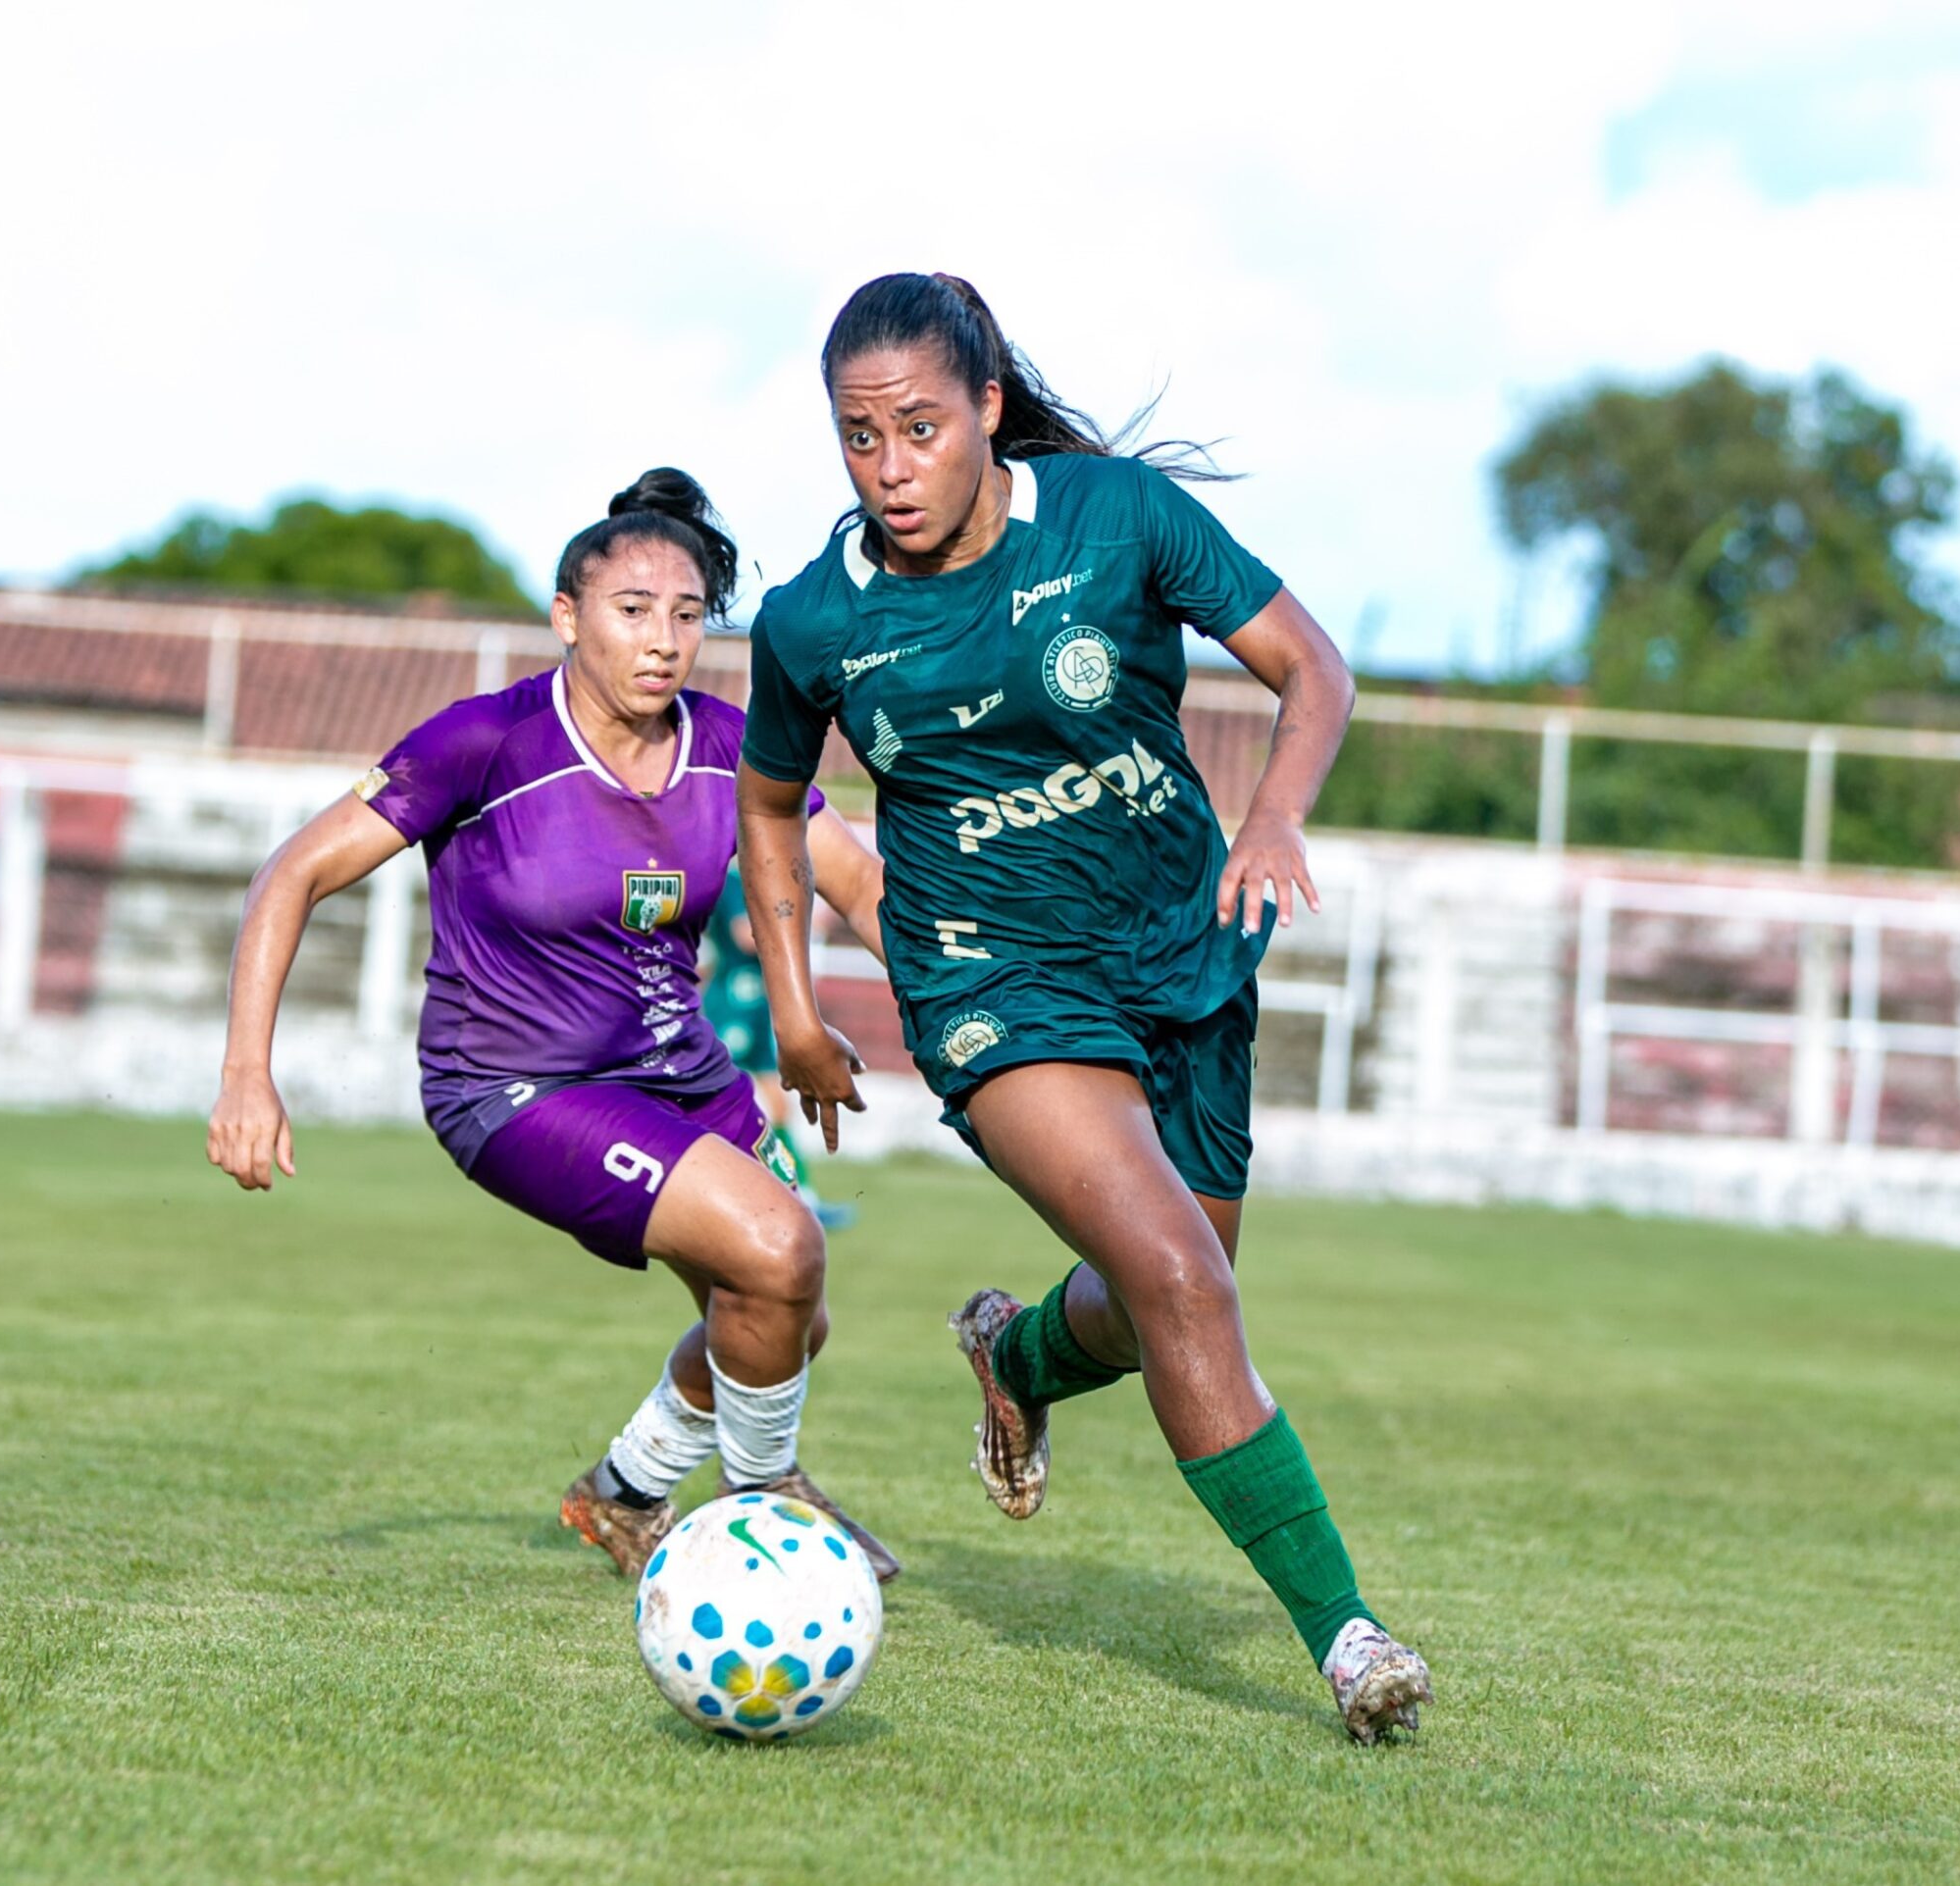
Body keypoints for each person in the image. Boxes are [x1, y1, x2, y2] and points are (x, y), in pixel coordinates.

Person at [734, 274, 1427, 1740]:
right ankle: (1351, 1639)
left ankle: (1019, 1352)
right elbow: (769, 804)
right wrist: (797, 1005)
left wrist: (1275, 815)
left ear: (988, 408)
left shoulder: (1115, 517)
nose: (890, 467)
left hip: (1187, 943)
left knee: (1165, 1293)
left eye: (920, 427)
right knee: (1185, 1278)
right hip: (989, 978)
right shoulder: (815, 621)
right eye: (859, 438)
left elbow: (1314, 668)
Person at [208, 468, 899, 1583]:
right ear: (568, 618)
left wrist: (978, 1009)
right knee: (781, 1248)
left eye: (686, 615)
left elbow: (858, 890)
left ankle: (623, 1493)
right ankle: (769, 1508)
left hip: (682, 1076)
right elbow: (291, 875)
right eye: (633, 612)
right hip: (513, 1090)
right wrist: (247, 1073)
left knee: (779, 1316)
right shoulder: (483, 745)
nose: (663, 640)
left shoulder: (731, 747)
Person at [697, 866, 855, 1230]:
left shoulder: (761, 877)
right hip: (733, 1002)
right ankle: (706, 1190)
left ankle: (803, 1197)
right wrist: (800, 925)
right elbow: (745, 937)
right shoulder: (735, 879)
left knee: (779, 1104)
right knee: (715, 1098)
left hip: (759, 1003)